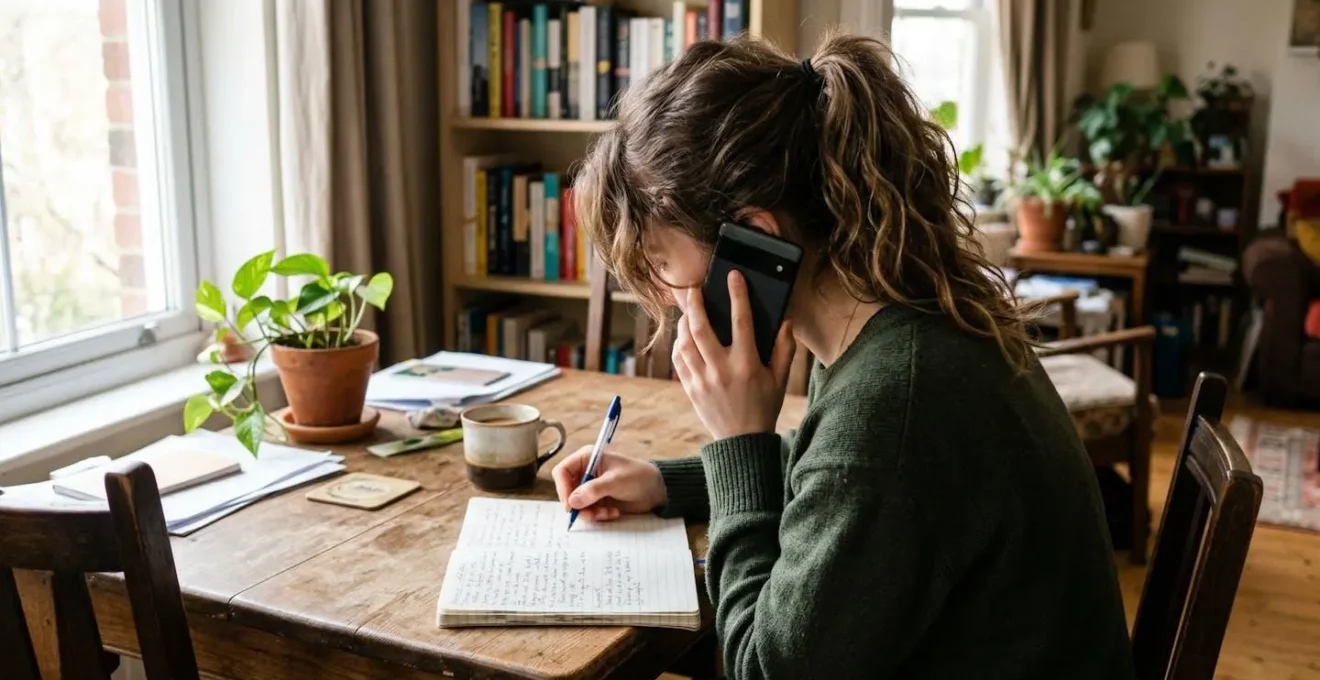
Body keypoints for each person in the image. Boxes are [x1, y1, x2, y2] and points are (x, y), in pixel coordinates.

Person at [552, 31, 1136, 680]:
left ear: (755, 238)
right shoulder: (895, 319)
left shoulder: (893, 406)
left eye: (664, 264)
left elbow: (763, 668)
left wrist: (739, 440)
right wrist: (671, 482)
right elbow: (829, 475)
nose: (665, 295)